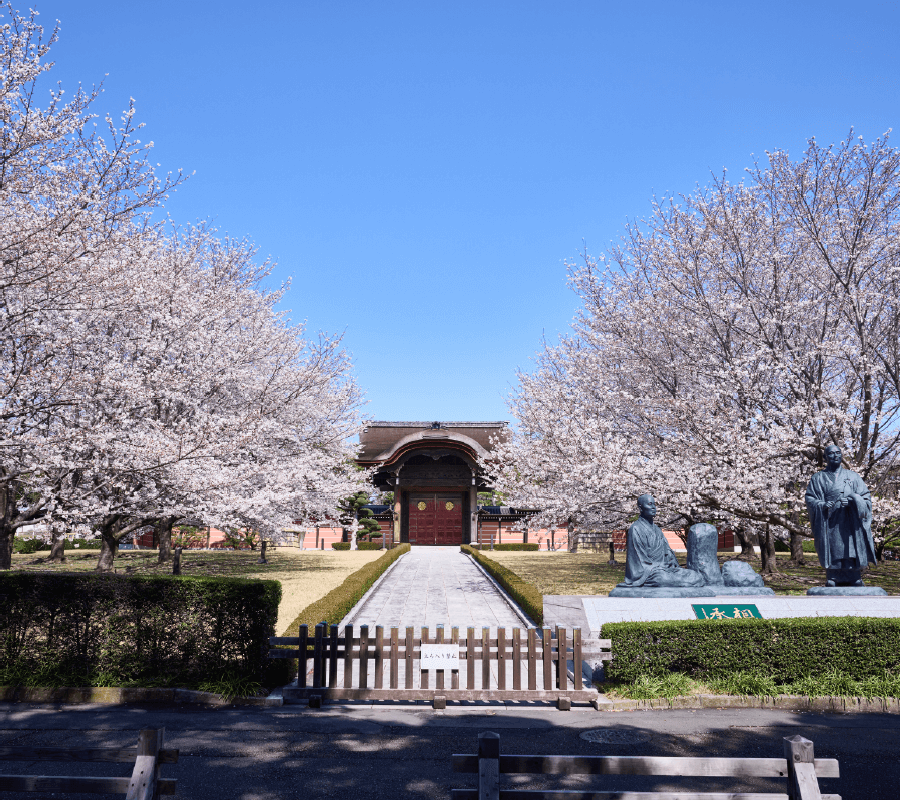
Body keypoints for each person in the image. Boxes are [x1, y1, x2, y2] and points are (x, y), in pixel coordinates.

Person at [805, 444, 876, 587]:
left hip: (850, 521)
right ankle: (833, 577)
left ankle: (855, 576)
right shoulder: (818, 478)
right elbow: (810, 498)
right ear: (825, 457)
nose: (836, 455)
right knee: (834, 548)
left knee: (850, 549)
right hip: (830, 520)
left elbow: (866, 498)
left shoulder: (853, 476)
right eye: (831, 453)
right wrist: (822, 505)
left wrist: (853, 500)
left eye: (838, 452)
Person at [617, 494, 705, 588]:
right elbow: (638, 560)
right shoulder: (635, 529)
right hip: (649, 572)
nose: (653, 507)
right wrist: (659, 566)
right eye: (650, 504)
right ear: (641, 507)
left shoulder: (657, 529)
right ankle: (681, 583)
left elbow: (667, 551)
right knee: (662, 578)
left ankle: (682, 582)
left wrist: (671, 560)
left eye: (654, 504)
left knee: (695, 575)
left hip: (665, 568)